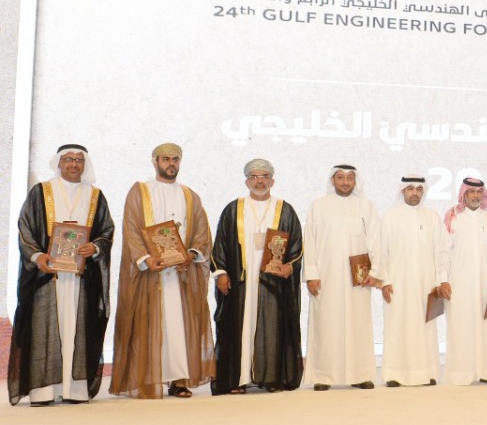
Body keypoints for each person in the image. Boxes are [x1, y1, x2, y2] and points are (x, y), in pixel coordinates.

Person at [9, 144, 114, 406]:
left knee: (78, 330)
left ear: (85, 164)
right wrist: (37, 256)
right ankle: (43, 391)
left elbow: (106, 230)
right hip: (47, 276)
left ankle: (75, 388)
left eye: (79, 160)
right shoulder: (41, 192)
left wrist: (96, 246)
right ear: (59, 162)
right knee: (45, 329)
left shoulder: (95, 195)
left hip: (81, 278)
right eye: (69, 160)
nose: (74, 164)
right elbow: (26, 228)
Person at [110, 143, 215, 399]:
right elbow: (131, 228)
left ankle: (179, 380)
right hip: (151, 273)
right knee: (151, 323)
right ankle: (150, 378)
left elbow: (202, 231)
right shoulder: (141, 191)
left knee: (179, 325)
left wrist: (192, 255)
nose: (171, 164)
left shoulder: (190, 195)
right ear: (155, 161)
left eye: (176, 160)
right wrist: (146, 259)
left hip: (181, 274)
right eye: (166, 159)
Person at [210, 159, 304, 395]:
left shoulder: (285, 209)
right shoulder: (234, 208)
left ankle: (271, 378)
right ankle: (237, 379)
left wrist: (289, 267)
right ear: (246, 181)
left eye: (264, 176)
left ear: (272, 180)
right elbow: (220, 244)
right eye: (253, 177)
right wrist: (220, 273)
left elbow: (297, 247)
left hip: (272, 283)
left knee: (272, 328)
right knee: (237, 329)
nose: (259, 181)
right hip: (240, 282)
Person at [304, 165, 382, 390]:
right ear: (333, 180)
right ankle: (323, 375)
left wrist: (375, 272)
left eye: (350, 178)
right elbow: (310, 241)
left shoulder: (366, 206)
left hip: (357, 278)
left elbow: (375, 240)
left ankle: (360, 374)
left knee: (358, 324)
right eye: (340, 178)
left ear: (356, 181)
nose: (345, 182)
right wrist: (311, 274)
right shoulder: (318, 206)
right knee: (325, 325)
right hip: (325, 277)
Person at [380, 175, 446, 387]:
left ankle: (427, 373)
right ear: (402, 192)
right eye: (410, 189)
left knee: (425, 326)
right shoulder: (390, 216)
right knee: (398, 325)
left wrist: (441, 280)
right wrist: (385, 281)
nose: (415, 193)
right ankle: (394, 374)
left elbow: (441, 251)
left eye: (419, 189)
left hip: (426, 283)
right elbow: (382, 252)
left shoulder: (432, 216)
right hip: (398, 283)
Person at [439, 178, 487, 385]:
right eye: (471, 192)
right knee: (460, 326)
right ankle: (460, 373)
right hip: (459, 283)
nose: (475, 196)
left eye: (479, 192)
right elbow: (444, 252)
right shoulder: (453, 217)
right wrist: (443, 280)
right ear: (464, 194)